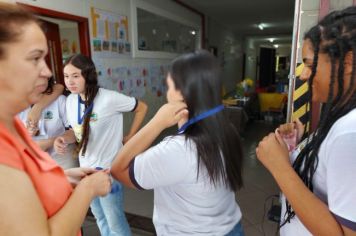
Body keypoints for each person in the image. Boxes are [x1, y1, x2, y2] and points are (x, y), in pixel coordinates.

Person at [0, 3, 111, 236]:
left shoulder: (12, 125)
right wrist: (88, 189)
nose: (48, 72)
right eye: (34, 58)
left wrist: (63, 177)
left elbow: (28, 183)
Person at [111, 50, 244, 235]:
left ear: (182, 93)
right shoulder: (225, 130)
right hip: (231, 228)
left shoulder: (178, 149)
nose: (167, 93)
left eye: (168, 87)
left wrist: (156, 123)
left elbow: (118, 169)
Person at [256, 6, 356, 236]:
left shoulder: (350, 132)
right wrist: (298, 147)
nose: (302, 75)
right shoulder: (343, 118)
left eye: (310, 64)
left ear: (348, 63)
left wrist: (279, 166)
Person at [54, 54, 148, 236]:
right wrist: (64, 139)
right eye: (66, 76)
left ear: (88, 75)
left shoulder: (109, 98)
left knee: (115, 223)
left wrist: (130, 136)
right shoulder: (71, 101)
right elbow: (77, 131)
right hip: (85, 171)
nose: (69, 81)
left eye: (75, 76)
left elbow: (142, 107)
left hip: (107, 171)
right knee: (100, 218)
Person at [18, 77, 79, 169]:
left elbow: (75, 131)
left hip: (63, 157)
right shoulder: (18, 106)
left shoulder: (59, 100)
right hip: (34, 161)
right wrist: (29, 134)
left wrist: (60, 140)